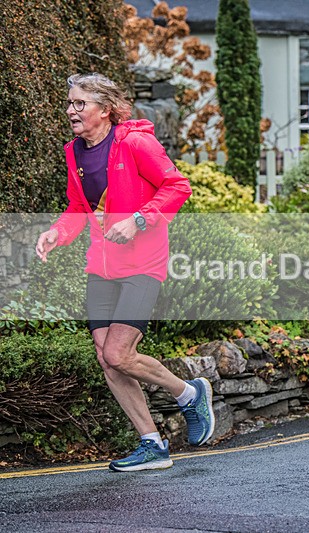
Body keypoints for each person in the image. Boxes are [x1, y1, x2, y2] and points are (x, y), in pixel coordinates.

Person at [35, 73, 215, 471]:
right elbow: (78, 209)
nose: (71, 111)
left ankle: (188, 393)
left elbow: (177, 186)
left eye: (80, 104)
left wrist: (138, 219)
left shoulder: (134, 142)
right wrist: (56, 233)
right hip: (101, 265)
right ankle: (152, 444)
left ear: (105, 108)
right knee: (106, 358)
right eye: (70, 104)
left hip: (142, 264)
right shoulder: (74, 152)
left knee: (119, 352)